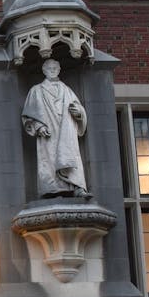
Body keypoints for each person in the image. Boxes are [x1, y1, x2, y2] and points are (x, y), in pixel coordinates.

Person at [21, 59, 90, 198]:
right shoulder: (36, 91)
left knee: (70, 158)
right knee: (49, 160)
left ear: (59, 70)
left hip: (66, 130)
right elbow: (28, 116)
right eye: (49, 68)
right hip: (49, 133)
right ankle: (51, 191)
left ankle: (77, 187)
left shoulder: (67, 90)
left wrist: (79, 113)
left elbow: (80, 110)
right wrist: (38, 126)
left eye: (55, 68)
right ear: (44, 71)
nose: (52, 70)